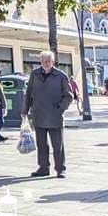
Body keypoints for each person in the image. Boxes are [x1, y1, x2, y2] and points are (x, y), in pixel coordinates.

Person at [23, 51, 72, 179]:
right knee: (41, 144)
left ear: (53, 62)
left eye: (48, 61)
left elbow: (68, 96)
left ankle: (60, 169)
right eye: (43, 61)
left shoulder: (61, 76)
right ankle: (43, 168)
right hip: (38, 115)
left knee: (58, 145)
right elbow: (28, 94)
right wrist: (25, 111)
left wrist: (59, 110)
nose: (45, 63)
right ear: (40, 62)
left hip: (55, 116)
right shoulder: (34, 74)